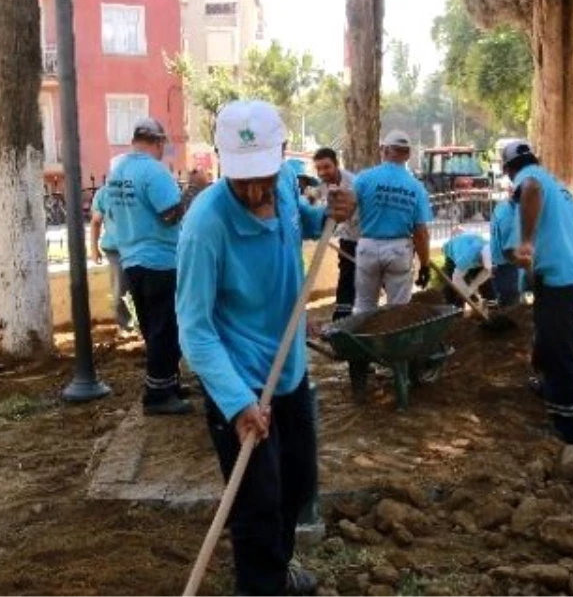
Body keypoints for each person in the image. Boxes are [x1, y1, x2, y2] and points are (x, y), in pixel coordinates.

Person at [177, 99, 353, 597]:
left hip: (289, 372)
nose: (255, 190)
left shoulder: (280, 185)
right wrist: (236, 402)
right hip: (238, 380)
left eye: (263, 175)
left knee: (297, 486)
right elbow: (194, 328)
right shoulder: (205, 228)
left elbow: (303, 220)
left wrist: (332, 214)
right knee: (256, 506)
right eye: (242, 179)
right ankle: (261, 585)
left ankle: (278, 572)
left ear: (279, 156)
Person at [502, 140, 573, 445]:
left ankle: (569, 430)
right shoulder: (553, 181)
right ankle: (548, 388)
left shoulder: (529, 180)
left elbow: (529, 189)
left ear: (507, 170)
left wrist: (526, 242)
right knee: (545, 337)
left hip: (564, 281)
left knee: (559, 352)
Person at [104, 117, 200, 415]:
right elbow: (170, 215)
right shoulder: (153, 171)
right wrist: (193, 190)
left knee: (151, 325)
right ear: (158, 142)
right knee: (165, 327)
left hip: (131, 259)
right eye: (163, 145)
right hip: (160, 261)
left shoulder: (118, 171)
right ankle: (158, 394)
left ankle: (166, 383)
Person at [352, 130, 433, 313]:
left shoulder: (364, 178)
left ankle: (363, 340)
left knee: (364, 305)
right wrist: (425, 265)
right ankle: (393, 340)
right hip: (398, 249)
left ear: (384, 150)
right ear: (409, 154)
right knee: (398, 311)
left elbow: (348, 210)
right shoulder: (416, 187)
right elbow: (421, 233)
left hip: (368, 247)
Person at [313, 147, 360, 321]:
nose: (322, 172)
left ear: (336, 165)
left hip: (365, 237)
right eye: (319, 168)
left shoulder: (354, 184)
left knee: (371, 277)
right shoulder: (322, 187)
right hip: (347, 237)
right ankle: (342, 318)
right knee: (347, 276)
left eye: (326, 167)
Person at [90, 156, 134, 331]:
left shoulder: (110, 192)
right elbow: (95, 222)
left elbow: (95, 222)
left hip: (134, 247)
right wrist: (93, 249)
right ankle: (125, 326)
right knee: (121, 289)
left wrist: (94, 248)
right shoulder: (105, 193)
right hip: (118, 249)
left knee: (128, 288)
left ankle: (132, 325)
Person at [440, 230, 495, 308]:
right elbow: (456, 279)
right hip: (453, 252)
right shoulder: (466, 258)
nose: (484, 265)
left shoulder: (492, 250)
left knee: (486, 282)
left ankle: (492, 305)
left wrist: (471, 289)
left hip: (470, 245)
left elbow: (487, 272)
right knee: (452, 285)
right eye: (483, 262)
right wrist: (467, 294)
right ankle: (454, 308)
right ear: (481, 257)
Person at [489, 190, 524, 307]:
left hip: (501, 266)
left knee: (506, 304)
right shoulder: (510, 217)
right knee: (511, 307)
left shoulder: (503, 206)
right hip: (507, 269)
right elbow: (509, 252)